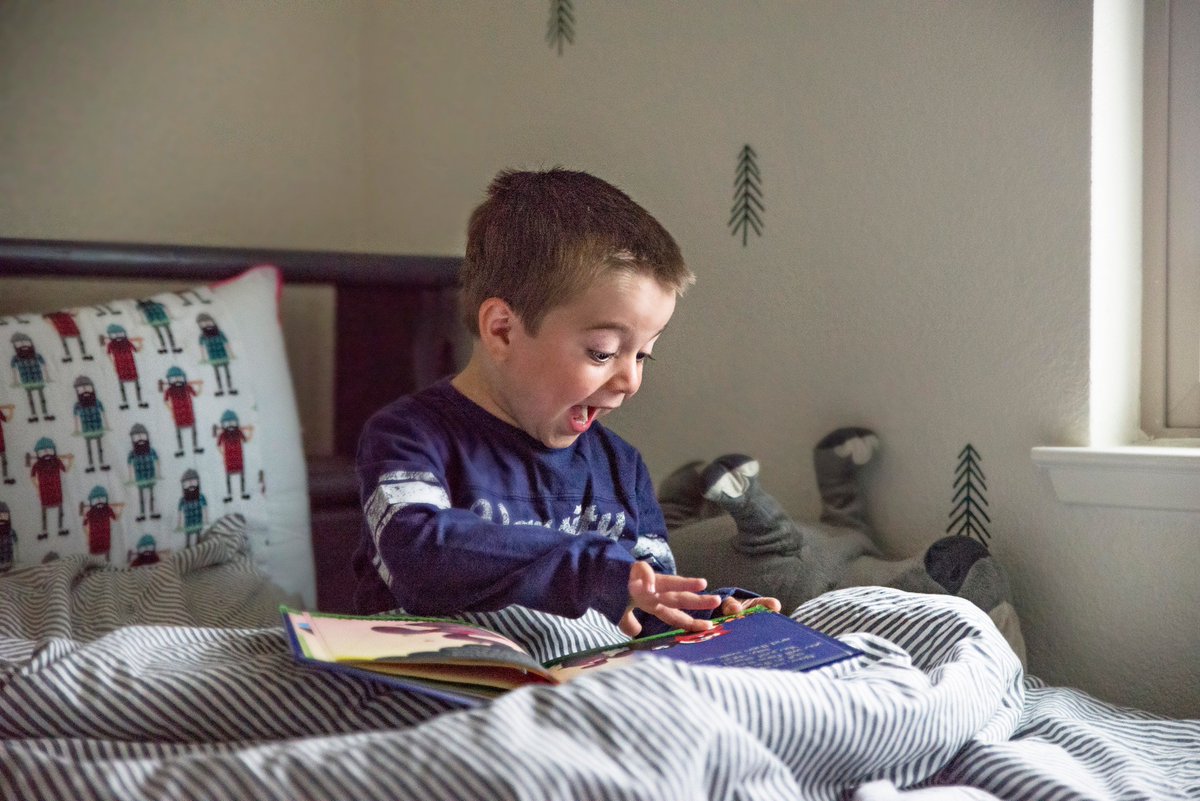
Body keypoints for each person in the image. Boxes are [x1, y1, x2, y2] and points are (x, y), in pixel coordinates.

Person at [353, 167, 779, 637]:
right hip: (429, 664)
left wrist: (714, 613)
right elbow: (418, 554)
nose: (630, 380)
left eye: (643, 355)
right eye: (602, 353)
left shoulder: (622, 468)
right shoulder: (409, 435)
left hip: (576, 671)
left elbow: (651, 604)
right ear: (503, 330)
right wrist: (591, 571)